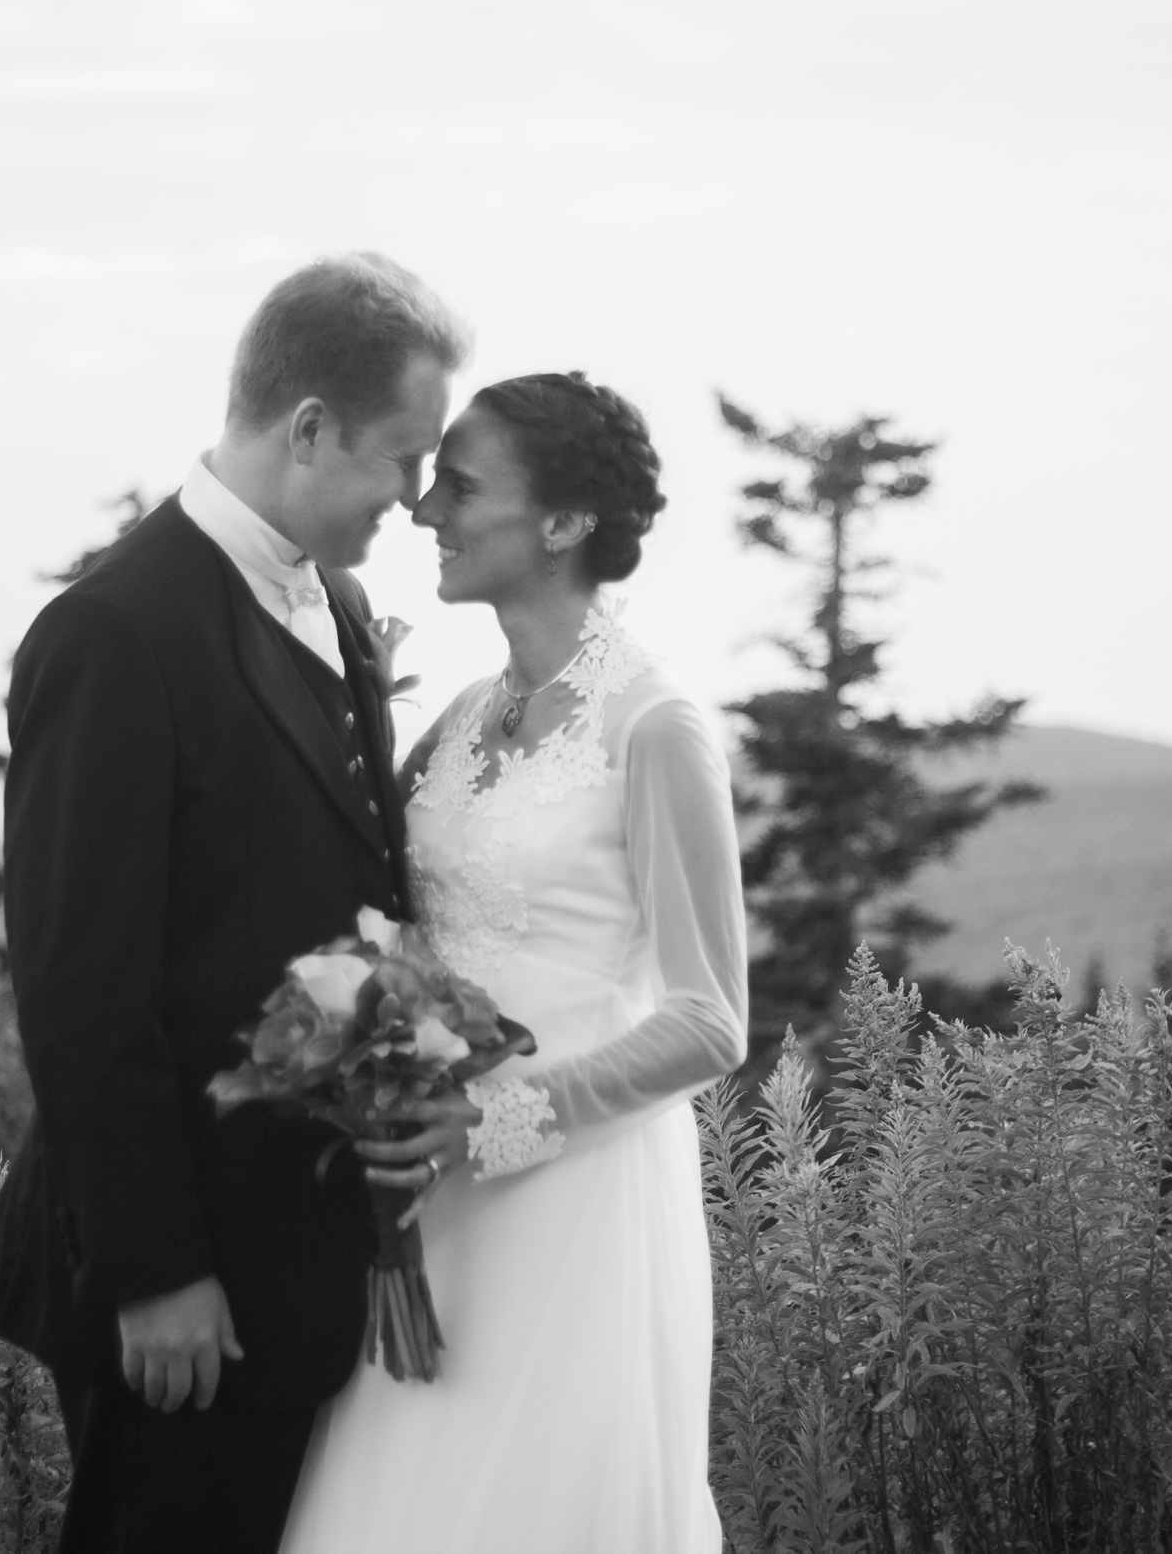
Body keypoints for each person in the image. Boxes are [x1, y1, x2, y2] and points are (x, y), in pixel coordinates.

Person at [0, 253, 469, 1552]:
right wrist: (155, 1267)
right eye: (403, 458)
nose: (418, 499)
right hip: (185, 1289)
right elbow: (81, 987)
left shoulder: (340, 606)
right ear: (309, 429)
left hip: (301, 1258)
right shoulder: (114, 632)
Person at [280, 372, 748, 1553]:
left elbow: (708, 1021)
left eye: (461, 485)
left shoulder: (656, 728)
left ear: (563, 524)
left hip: (568, 1203)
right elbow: (393, 920)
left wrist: (491, 1126)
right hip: (431, 1202)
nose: (427, 509)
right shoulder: (457, 718)